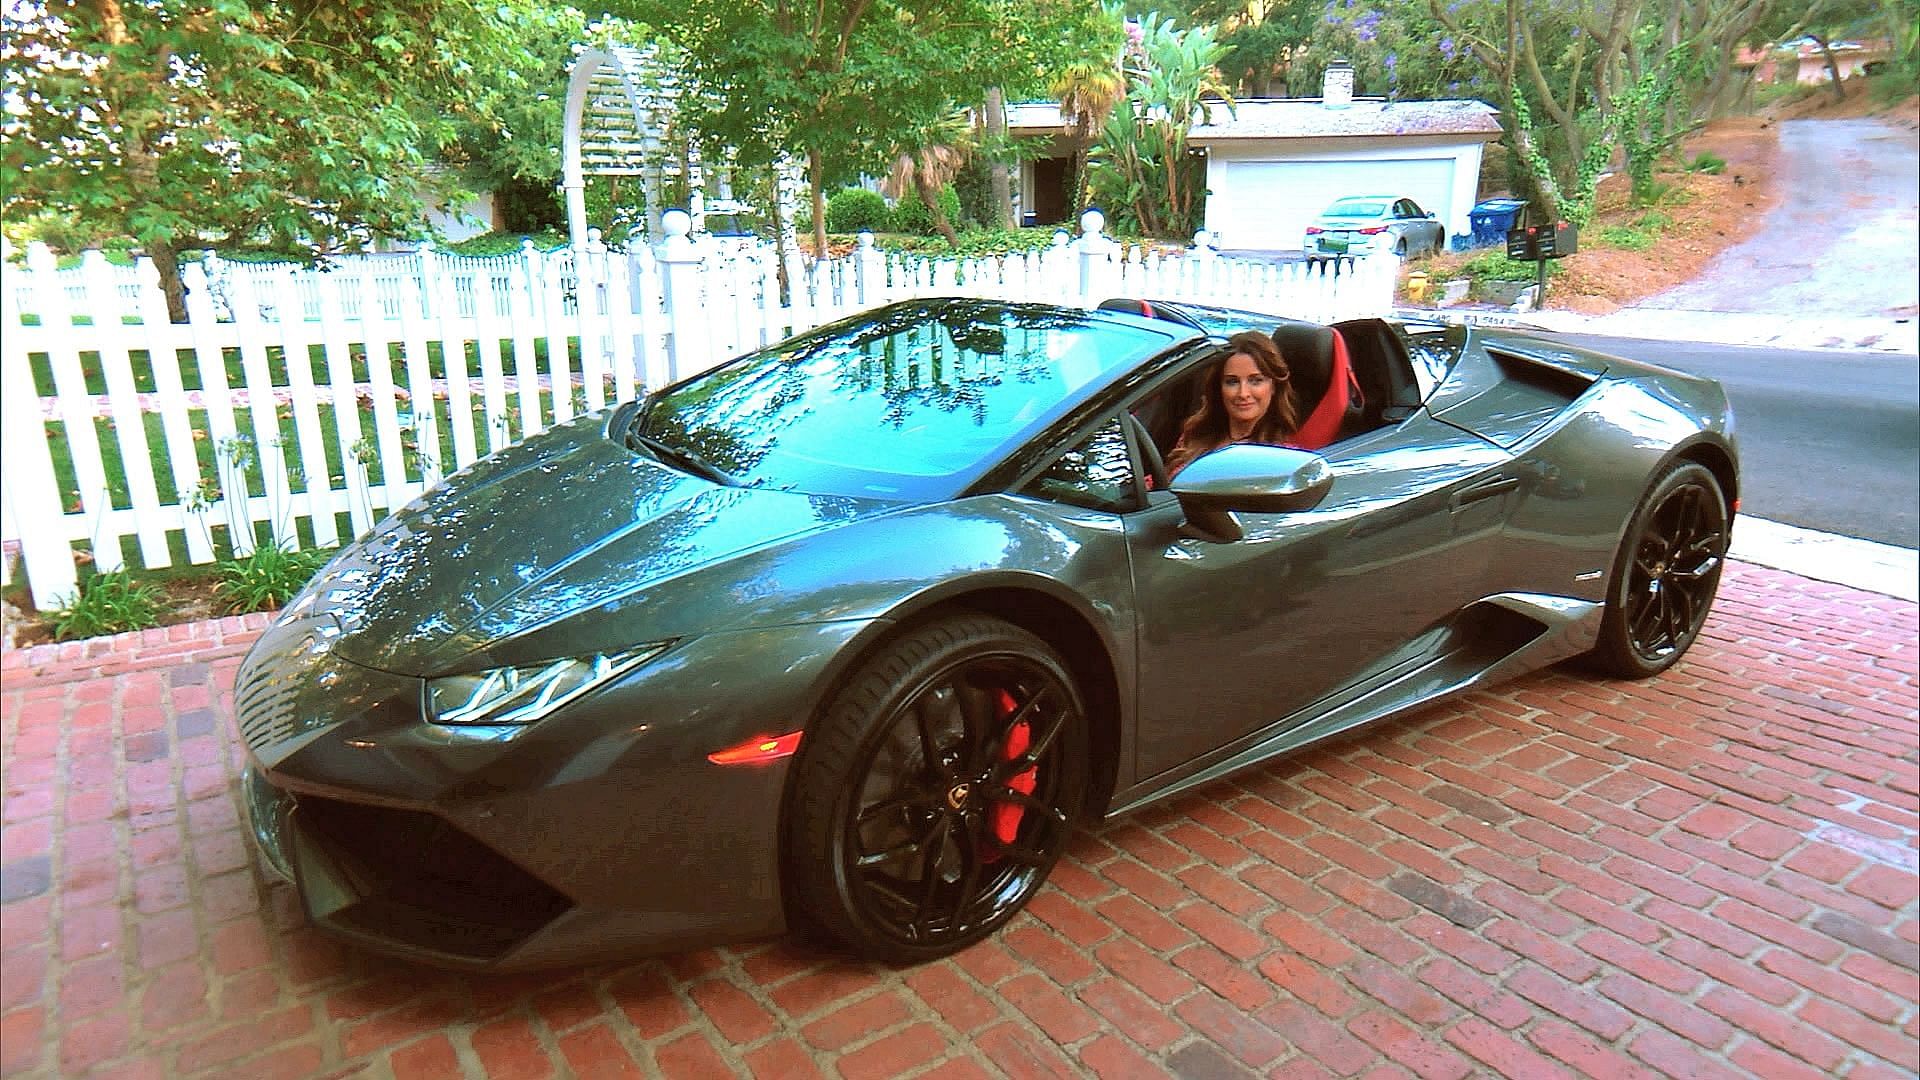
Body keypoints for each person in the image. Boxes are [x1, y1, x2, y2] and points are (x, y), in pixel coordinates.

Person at [1164, 331, 1301, 477]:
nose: (1243, 393)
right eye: (1232, 382)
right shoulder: (1196, 433)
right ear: (1219, 388)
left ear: (1274, 386)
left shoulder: (1283, 458)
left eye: (1256, 381)